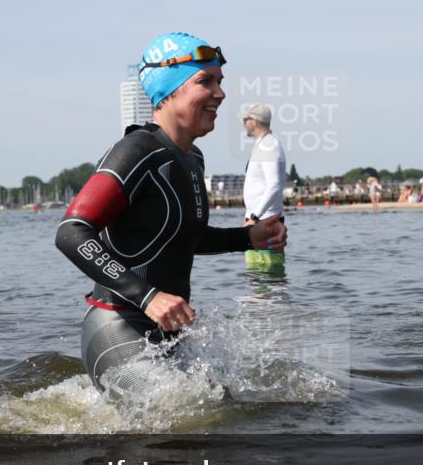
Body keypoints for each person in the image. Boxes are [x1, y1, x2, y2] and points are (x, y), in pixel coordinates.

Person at [55, 32, 287, 397]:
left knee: (229, 404)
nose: (221, 94)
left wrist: (247, 238)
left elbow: (180, 236)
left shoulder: (191, 159)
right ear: (168, 91)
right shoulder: (135, 151)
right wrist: (148, 296)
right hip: (118, 324)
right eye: (204, 81)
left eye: (220, 82)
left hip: (167, 331)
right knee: (189, 414)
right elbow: (71, 232)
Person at [240, 103, 287, 270]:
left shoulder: (269, 146)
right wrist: (250, 216)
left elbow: (275, 184)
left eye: (245, 119)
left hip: (265, 220)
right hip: (260, 219)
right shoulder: (263, 144)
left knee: (268, 275)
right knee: (256, 275)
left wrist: (254, 216)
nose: (243, 123)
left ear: (254, 121)